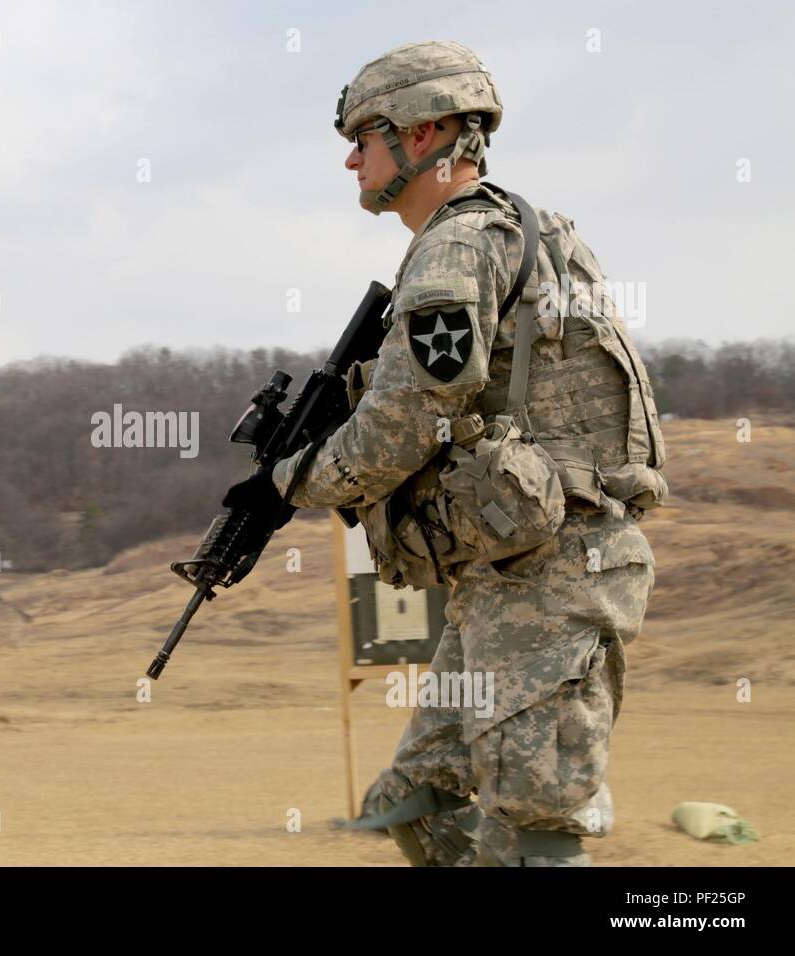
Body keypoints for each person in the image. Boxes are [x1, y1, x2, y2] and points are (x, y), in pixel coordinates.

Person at [222, 41, 667, 866]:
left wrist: (285, 482)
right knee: (413, 802)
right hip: (509, 573)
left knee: (536, 830)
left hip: (552, 575)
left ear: (424, 135)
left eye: (367, 134)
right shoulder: (528, 231)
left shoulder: (459, 250)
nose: (351, 157)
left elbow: (403, 426)